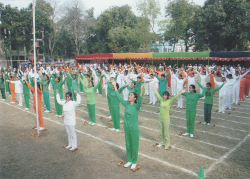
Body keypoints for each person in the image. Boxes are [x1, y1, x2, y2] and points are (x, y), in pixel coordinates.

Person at [113, 81, 145, 170]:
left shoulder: (136, 106)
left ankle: (134, 162)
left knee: (134, 145)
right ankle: (129, 160)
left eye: (131, 95)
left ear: (134, 98)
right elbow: (119, 97)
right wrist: (115, 86)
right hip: (127, 128)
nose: (129, 96)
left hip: (134, 129)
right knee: (128, 145)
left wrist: (141, 89)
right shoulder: (126, 104)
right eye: (129, 95)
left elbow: (140, 99)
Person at [151, 84, 186, 150]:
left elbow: (175, 97)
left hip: (166, 119)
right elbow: (157, 94)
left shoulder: (169, 101)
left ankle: (167, 144)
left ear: (167, 96)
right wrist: (153, 88)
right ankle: (161, 142)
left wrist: (181, 92)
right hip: (160, 118)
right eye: (163, 95)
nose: (164, 96)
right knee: (161, 132)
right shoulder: (161, 100)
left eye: (165, 95)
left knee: (166, 132)